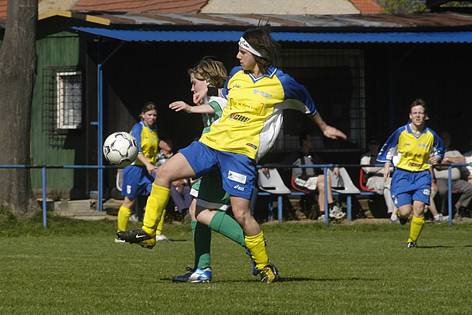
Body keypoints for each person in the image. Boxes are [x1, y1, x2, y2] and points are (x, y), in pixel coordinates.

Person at [119, 26, 346, 283]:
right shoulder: (236, 76)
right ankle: (149, 233)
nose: (237, 57)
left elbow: (307, 102)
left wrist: (324, 127)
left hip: (239, 154)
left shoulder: (281, 84)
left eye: (241, 52)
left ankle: (263, 265)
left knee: (241, 214)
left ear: (256, 54)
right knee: (164, 173)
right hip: (211, 144)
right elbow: (223, 105)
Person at [167, 57, 251, 283]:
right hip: (212, 166)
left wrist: (190, 108)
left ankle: (252, 243)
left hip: (219, 167)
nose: (192, 87)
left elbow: (213, 106)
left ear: (209, 81)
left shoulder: (221, 100)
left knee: (201, 213)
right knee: (195, 211)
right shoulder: (214, 101)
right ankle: (201, 268)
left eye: (196, 82)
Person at [377, 99, 444, 248]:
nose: (418, 116)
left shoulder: (431, 135)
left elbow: (440, 149)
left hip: (422, 175)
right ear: (410, 116)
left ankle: (412, 241)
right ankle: (402, 217)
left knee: (419, 207)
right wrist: (387, 165)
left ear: (426, 116)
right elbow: (390, 148)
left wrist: (437, 158)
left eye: (421, 113)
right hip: (402, 175)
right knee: (405, 212)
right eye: (415, 113)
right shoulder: (401, 132)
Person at [115, 102, 166, 242]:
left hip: (148, 169)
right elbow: (136, 151)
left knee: (159, 198)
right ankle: (121, 235)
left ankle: (157, 233)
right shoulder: (138, 128)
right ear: (142, 115)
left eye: (155, 115)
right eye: (149, 115)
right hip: (135, 168)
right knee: (129, 201)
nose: (152, 117)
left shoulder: (154, 129)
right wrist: (148, 164)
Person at [292, 133, 345, 220]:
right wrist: (268, 166)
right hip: (300, 180)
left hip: (311, 180)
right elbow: (283, 163)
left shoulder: (313, 155)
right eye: (309, 140)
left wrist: (334, 166)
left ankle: (322, 214)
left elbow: (323, 163)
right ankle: (332, 206)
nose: (311, 142)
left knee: (322, 186)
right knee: (325, 178)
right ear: (304, 141)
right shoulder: (296, 155)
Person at [434, 131, 472, 219]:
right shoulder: (436, 152)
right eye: (443, 139)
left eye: (447, 139)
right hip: (441, 179)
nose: (445, 141)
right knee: (443, 191)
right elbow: (438, 166)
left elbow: (462, 160)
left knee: (470, 188)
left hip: (456, 180)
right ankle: (443, 211)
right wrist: (452, 163)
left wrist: (447, 159)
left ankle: (457, 207)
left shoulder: (455, 151)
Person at [360, 138, 397, 221]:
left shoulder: (384, 156)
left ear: (379, 146)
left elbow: (392, 168)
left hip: (385, 178)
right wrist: (383, 167)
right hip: (372, 178)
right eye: (371, 144)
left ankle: (392, 213)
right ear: (368, 146)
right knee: (388, 185)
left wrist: (382, 168)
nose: (373, 146)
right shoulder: (365, 157)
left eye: (375, 144)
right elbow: (367, 170)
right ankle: (393, 214)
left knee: (389, 187)